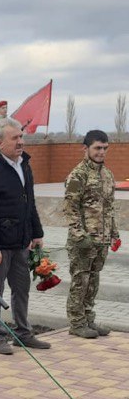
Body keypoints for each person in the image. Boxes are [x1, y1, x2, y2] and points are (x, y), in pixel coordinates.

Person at [0, 117, 50, 354]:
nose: (20, 142)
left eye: (21, 136)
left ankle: (23, 333)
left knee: (21, 288)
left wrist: (37, 233)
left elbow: (30, 203)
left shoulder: (24, 165)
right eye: (15, 138)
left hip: (21, 242)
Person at [64, 129, 120, 338]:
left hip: (102, 240)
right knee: (81, 281)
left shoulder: (107, 174)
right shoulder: (78, 175)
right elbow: (70, 208)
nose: (101, 152)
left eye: (105, 148)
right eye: (97, 148)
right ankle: (76, 323)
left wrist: (114, 234)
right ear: (85, 149)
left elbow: (110, 207)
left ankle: (88, 319)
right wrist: (80, 236)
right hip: (83, 241)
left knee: (94, 281)